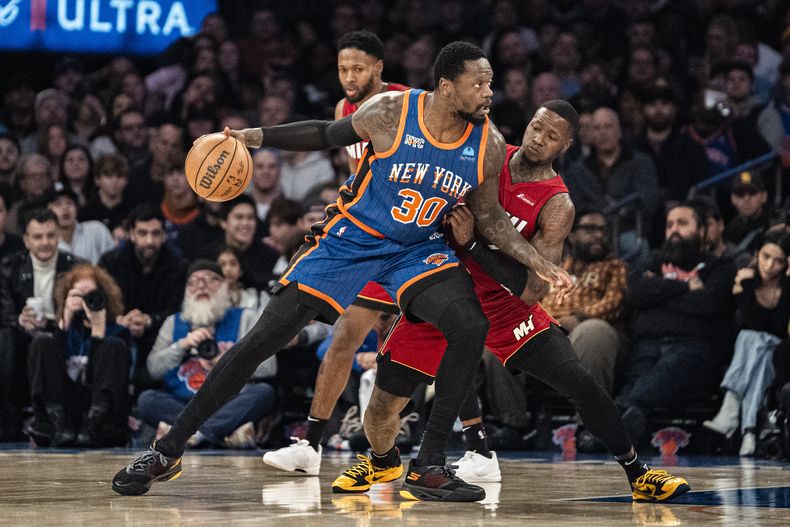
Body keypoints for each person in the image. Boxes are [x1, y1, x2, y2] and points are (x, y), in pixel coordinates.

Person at [112, 41, 572, 501]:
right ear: (447, 86)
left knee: (469, 324)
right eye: (480, 83)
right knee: (261, 340)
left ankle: (428, 466)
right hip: (351, 240)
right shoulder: (392, 111)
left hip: (416, 248)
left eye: (490, 82)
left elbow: (490, 218)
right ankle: (168, 450)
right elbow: (323, 132)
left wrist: (539, 262)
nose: (489, 92)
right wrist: (255, 137)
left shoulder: (488, 143)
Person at [331, 102, 689, 503]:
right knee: (381, 408)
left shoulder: (557, 204)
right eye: (536, 127)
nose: (538, 138)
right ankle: (384, 460)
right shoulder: (488, 156)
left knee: (581, 383)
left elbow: (533, 291)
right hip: (444, 294)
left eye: (551, 136)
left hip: (506, 309)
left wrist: (473, 245)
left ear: (565, 145)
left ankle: (638, 473)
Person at [264, 31, 410, 476]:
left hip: (414, 238)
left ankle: (479, 447)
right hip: (373, 241)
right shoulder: (343, 110)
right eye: (343, 68)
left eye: (358, 68)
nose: (349, 77)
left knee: (442, 337)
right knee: (344, 336)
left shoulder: (405, 103)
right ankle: (310, 444)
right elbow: (358, 177)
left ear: (379, 69)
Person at [618, 203, 737, 443]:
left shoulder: (721, 267)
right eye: (670, 224)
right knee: (637, 376)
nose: (674, 230)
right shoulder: (653, 261)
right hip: (647, 345)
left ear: (702, 230)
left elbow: (706, 304)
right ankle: (625, 418)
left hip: (695, 351)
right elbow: (637, 293)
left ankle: (615, 420)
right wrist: (685, 288)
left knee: (667, 370)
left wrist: (659, 297)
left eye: (682, 223)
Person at [138, 260, 277, 450]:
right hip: (182, 403)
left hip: (229, 402)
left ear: (224, 286)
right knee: (147, 399)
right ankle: (219, 434)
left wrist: (225, 362)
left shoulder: (245, 317)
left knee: (263, 393)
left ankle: (188, 435)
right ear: (186, 289)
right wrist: (182, 345)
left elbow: (269, 366)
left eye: (211, 279)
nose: (201, 286)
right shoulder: (174, 322)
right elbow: (153, 368)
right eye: (194, 281)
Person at [25, 264, 130, 448]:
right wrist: (65, 318)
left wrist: (98, 332)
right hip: (67, 409)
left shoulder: (119, 332)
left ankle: (92, 426)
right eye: (78, 295)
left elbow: (100, 378)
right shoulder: (63, 332)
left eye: (91, 294)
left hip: (100, 417)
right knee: (41, 341)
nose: (84, 301)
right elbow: (51, 370)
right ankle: (57, 425)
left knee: (113, 345)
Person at [704, 233, 790, 456]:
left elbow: (778, 326)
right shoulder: (746, 281)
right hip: (759, 357)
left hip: (777, 351)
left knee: (754, 340)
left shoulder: (788, 287)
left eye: (779, 260)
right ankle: (749, 431)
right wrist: (746, 286)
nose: (770, 265)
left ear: (787, 262)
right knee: (751, 340)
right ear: (756, 255)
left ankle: (731, 409)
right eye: (766, 256)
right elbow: (755, 322)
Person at [0, 209, 80, 440]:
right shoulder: (8, 267)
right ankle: (7, 415)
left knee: (44, 342)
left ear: (58, 236)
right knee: (5, 335)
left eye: (50, 235)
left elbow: (83, 315)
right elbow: (4, 311)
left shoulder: (75, 267)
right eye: (37, 237)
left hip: (62, 338)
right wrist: (18, 319)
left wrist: (57, 321)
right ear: (26, 240)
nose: (45, 242)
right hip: (20, 341)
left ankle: (50, 420)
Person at [99, 205, 187, 390]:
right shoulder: (110, 262)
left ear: (164, 236)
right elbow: (101, 302)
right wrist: (122, 320)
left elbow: (178, 309)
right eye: (142, 233)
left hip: (159, 333)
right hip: (119, 330)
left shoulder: (178, 265)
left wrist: (148, 320)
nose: (149, 241)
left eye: (156, 234)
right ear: (131, 234)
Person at [46, 189, 115, 265]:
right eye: (58, 204)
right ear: (48, 210)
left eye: (69, 203)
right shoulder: (46, 240)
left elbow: (114, 261)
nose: (65, 208)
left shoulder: (96, 230)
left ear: (77, 208)